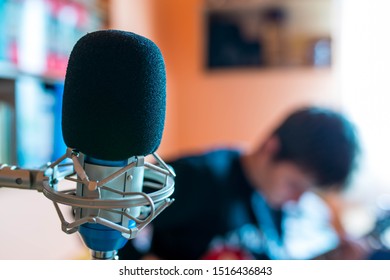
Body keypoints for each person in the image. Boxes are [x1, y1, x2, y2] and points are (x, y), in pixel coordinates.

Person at [118, 106, 362, 260]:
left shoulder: (273, 202)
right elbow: (113, 217)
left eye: (307, 192)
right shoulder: (198, 177)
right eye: (295, 185)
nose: (297, 200)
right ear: (271, 148)